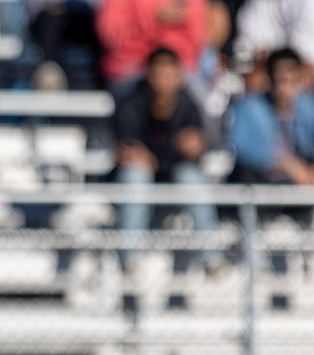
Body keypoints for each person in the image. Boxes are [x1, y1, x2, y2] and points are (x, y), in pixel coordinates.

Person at [113, 46, 218, 270]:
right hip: (144, 176)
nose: (163, 81)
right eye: (158, 74)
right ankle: (131, 258)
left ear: (179, 76)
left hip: (176, 175)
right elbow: (126, 151)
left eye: (169, 75)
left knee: (192, 177)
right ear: (148, 74)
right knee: (135, 175)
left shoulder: (189, 104)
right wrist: (152, 155)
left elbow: (198, 145)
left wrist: (194, 147)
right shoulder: (131, 102)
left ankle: (211, 256)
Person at [229, 46, 314, 185]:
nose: (285, 85)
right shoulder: (249, 107)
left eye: (291, 78)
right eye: (280, 79)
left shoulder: (309, 107)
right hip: (261, 182)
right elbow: (241, 147)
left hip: (300, 186)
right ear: (269, 77)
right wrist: (282, 162)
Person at [95, 0, 209, 91]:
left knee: (202, 105)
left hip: (180, 72)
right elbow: (112, 37)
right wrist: (154, 17)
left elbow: (197, 40)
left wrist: (164, 65)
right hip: (131, 71)